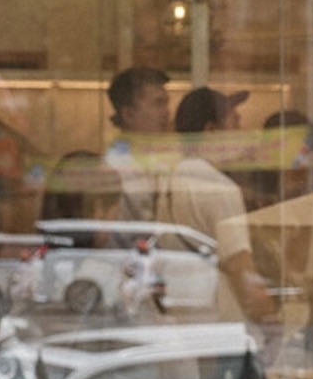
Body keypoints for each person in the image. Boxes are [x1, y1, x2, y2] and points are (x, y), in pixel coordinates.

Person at [106, 63, 274, 320]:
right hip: (131, 300)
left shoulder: (171, 167)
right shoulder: (113, 172)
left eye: (167, 102)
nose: (166, 112)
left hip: (172, 304)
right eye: (158, 103)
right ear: (129, 113)